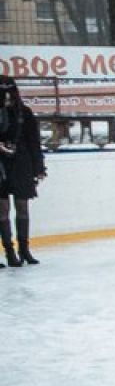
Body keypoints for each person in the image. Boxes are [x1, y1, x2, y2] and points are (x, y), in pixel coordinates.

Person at [0, 76, 46, 266]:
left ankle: (24, 249)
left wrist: (39, 167)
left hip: (21, 162)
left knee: (22, 206)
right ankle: (9, 251)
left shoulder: (24, 113)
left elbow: (34, 142)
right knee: (2, 208)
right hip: (1, 163)